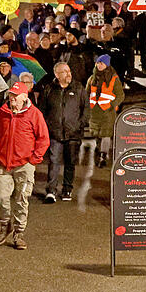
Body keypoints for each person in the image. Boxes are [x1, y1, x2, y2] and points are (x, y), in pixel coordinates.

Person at [0, 82, 50, 249]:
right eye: (11, 95)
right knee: (1, 197)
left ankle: (19, 232)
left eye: (16, 95)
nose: (12, 98)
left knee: (21, 199)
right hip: (2, 164)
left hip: (24, 164)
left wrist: (33, 160)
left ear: (25, 97)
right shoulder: (2, 112)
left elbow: (43, 139)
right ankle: (4, 225)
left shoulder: (34, 114)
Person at [39, 62, 88, 203]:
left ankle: (67, 188)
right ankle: (51, 191)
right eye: (64, 72)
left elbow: (86, 110)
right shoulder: (49, 89)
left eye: (69, 71)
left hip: (73, 133)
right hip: (55, 133)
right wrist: (49, 126)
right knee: (53, 162)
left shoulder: (78, 88)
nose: (68, 74)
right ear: (57, 75)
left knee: (70, 162)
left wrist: (79, 125)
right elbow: (43, 111)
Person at [87, 54, 125, 168]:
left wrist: (112, 105)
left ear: (107, 64)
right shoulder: (92, 79)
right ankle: (99, 152)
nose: (99, 65)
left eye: (102, 63)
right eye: (98, 63)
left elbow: (120, 95)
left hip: (108, 112)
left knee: (106, 135)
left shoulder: (114, 79)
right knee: (97, 135)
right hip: (94, 112)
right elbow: (86, 93)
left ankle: (103, 156)